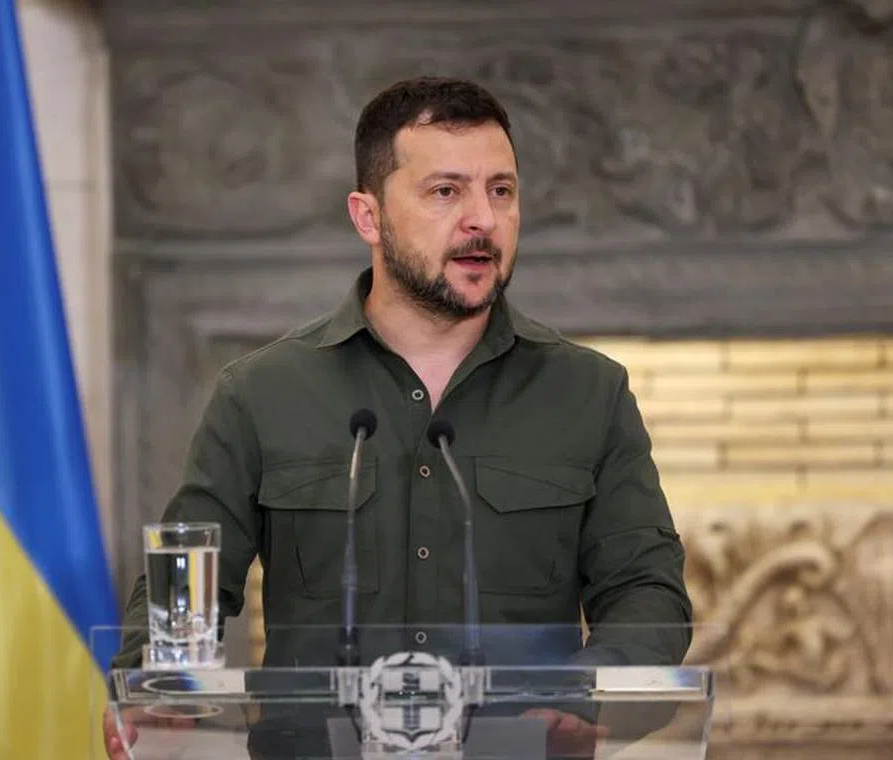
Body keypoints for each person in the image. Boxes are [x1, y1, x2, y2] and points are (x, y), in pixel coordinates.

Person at [104, 76, 693, 759]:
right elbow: (183, 593)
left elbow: (647, 594)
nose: (482, 219)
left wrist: (586, 696)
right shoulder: (260, 393)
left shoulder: (590, 392)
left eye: (501, 191)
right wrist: (156, 696)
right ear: (368, 216)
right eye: (446, 192)